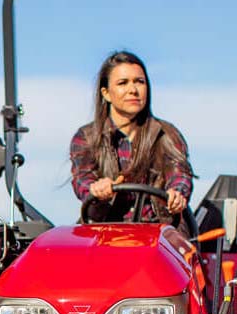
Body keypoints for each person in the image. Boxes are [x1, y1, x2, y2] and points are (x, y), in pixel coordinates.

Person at [70, 50, 194, 227]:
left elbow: (179, 173)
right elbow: (83, 179)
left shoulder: (166, 134)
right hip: (105, 233)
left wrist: (176, 194)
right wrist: (96, 189)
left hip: (158, 233)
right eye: (123, 83)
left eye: (139, 82)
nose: (133, 90)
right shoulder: (86, 137)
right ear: (106, 93)